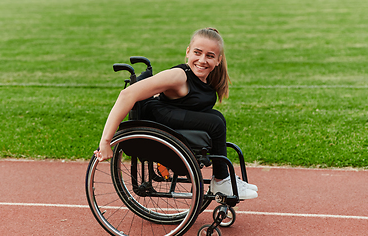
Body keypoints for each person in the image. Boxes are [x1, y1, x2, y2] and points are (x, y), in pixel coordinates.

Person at [94, 28, 258, 199]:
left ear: (218, 60)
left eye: (210, 56)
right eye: (197, 53)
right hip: (158, 117)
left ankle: (222, 178)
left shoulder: (208, 79)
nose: (202, 60)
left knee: (217, 118)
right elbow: (127, 95)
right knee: (215, 122)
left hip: (172, 113)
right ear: (188, 52)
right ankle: (221, 180)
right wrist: (106, 141)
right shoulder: (179, 76)